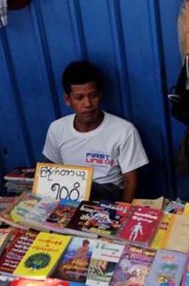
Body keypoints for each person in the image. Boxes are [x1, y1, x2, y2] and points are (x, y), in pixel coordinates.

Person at [43, 61, 149, 203]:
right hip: (70, 196)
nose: (87, 104)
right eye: (79, 98)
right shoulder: (57, 129)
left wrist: (122, 213)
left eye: (93, 95)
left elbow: (130, 181)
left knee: (89, 190)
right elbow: (52, 170)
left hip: (108, 195)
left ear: (101, 95)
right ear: (68, 100)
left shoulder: (124, 130)